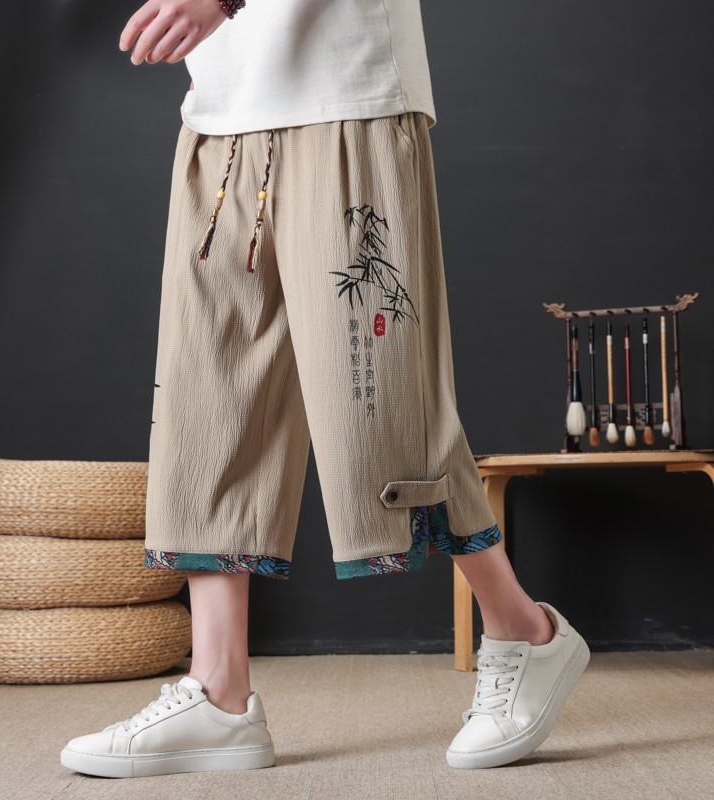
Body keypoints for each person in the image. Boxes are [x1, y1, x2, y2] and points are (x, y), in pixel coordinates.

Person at [60, 0, 590, 778]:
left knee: (381, 409)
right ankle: (218, 694)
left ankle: (522, 630)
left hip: (348, 96)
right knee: (207, 404)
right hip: (223, 111)